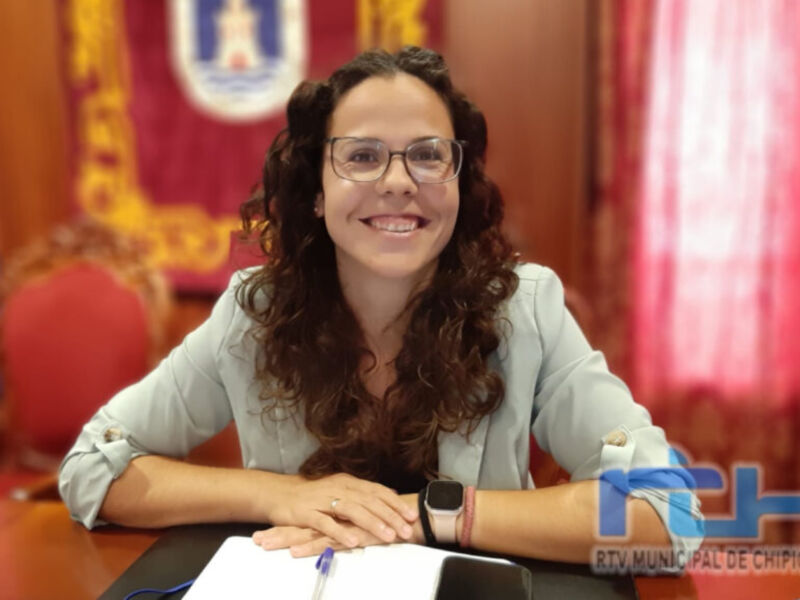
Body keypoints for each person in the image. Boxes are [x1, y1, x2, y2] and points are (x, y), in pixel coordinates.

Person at [59, 46, 702, 566]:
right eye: (362, 157)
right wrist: (283, 495)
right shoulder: (254, 314)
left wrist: (430, 514)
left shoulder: (525, 307)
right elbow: (91, 470)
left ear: (458, 184)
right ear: (315, 191)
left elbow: (665, 514)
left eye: (428, 156)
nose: (398, 182)